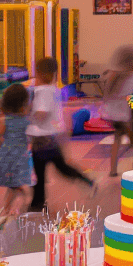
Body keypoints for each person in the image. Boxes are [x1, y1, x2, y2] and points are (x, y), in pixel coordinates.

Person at [29, 57, 95, 212]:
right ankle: (38, 203)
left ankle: (38, 204)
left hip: (43, 139)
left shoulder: (43, 91)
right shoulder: (53, 89)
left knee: (47, 171)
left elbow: (42, 114)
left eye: (37, 74)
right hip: (50, 137)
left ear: (41, 74)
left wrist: (27, 115)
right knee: (57, 168)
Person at [100, 46, 133, 177]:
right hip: (125, 115)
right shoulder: (129, 75)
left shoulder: (116, 74)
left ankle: (113, 169)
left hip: (116, 115)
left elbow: (107, 93)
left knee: (118, 140)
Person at [0, 84, 32, 215]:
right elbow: (30, 138)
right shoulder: (26, 122)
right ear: (23, 106)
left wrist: (3, 145)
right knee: (17, 186)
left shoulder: (5, 121)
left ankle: (7, 209)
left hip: (7, 157)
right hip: (19, 158)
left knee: (12, 186)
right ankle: (14, 206)